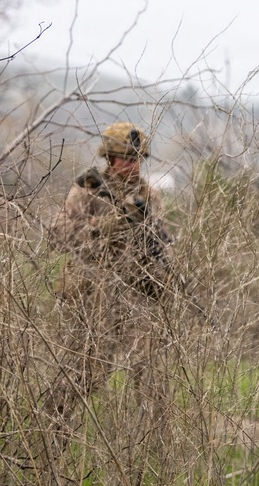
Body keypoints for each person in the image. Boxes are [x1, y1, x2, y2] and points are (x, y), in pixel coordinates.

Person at [46, 121, 174, 435]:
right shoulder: (88, 189)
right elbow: (60, 237)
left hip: (136, 297)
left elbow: (162, 243)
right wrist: (110, 225)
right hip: (92, 298)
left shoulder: (149, 196)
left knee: (151, 378)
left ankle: (152, 447)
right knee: (85, 375)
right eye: (126, 158)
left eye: (138, 158)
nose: (133, 165)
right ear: (110, 158)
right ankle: (52, 432)